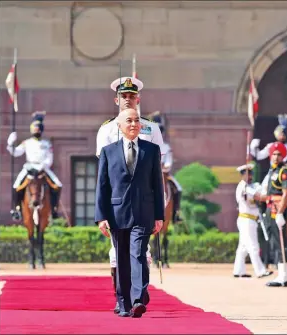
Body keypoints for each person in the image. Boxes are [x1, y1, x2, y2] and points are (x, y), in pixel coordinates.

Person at [96, 76, 162, 314]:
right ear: (116, 99)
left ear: (138, 99)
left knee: (139, 253)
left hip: (143, 204)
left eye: (132, 96)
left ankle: (138, 297)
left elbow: (158, 172)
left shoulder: (151, 128)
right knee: (118, 255)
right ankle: (121, 298)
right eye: (124, 96)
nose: (128, 99)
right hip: (117, 207)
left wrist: (158, 211)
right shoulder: (105, 130)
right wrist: (101, 213)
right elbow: (103, 177)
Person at [250, 142, 287, 287]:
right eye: (274, 154)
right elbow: (268, 194)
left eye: (278, 154)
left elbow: (286, 193)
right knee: (275, 243)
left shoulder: (284, 172)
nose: (275, 157)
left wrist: (281, 212)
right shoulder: (271, 172)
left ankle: (284, 277)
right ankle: (281, 274)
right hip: (270, 209)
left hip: (277, 209)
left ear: (283, 156)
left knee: (280, 243)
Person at [7, 111, 62, 221]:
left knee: (57, 185)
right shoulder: (26, 142)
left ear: (41, 129)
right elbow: (16, 152)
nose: (36, 130)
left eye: (38, 128)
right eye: (34, 128)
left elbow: (49, 158)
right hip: (29, 168)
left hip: (43, 168)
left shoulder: (47, 144)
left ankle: (54, 209)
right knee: (16, 186)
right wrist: (10, 143)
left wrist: (43, 165)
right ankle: (17, 209)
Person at [233, 163, 273, 279]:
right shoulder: (244, 187)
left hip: (249, 220)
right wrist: (273, 197)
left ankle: (238, 271)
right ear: (242, 175)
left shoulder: (251, 186)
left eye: (250, 173)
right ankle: (260, 271)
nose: (250, 176)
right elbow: (259, 197)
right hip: (246, 220)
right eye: (247, 173)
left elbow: (262, 191)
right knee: (253, 246)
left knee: (243, 248)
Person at [149, 111, 183, 223]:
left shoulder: (166, 147)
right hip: (150, 174)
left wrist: (165, 167)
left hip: (164, 173)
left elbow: (169, 162)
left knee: (178, 188)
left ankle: (176, 214)